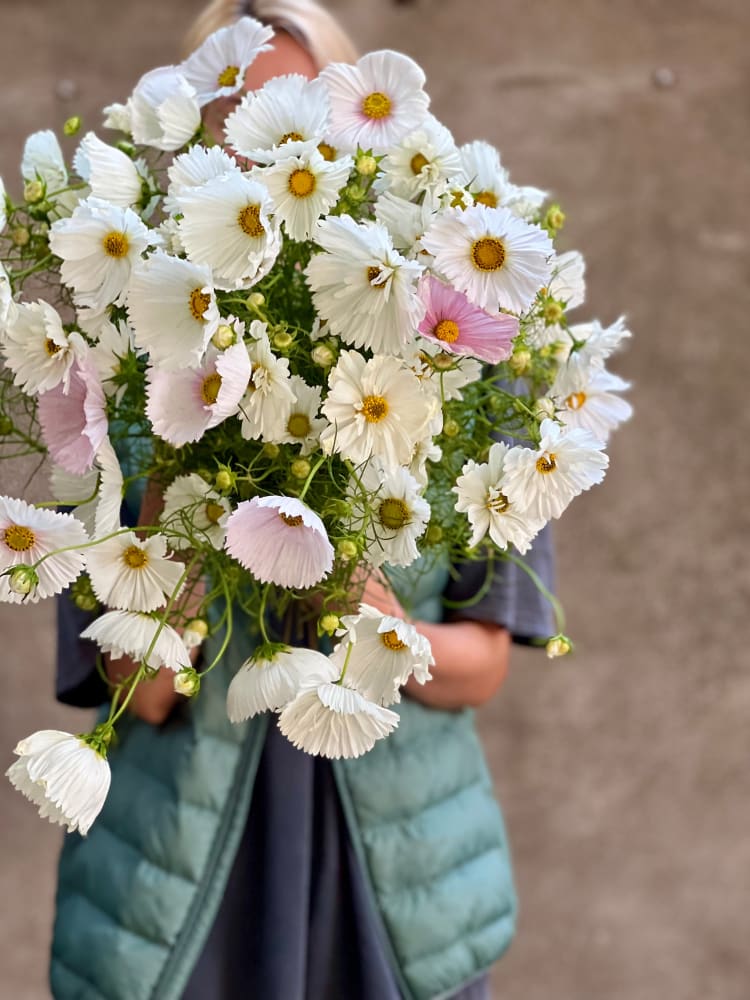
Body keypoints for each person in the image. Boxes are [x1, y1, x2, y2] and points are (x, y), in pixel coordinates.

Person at [50, 3, 556, 998]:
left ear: (360, 133)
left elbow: (480, 667)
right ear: (196, 146)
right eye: (231, 123)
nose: (265, 152)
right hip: (183, 888)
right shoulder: (122, 375)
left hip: (398, 878)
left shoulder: (472, 361)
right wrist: (176, 499)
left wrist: (371, 620)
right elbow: (137, 688)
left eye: (298, 116)